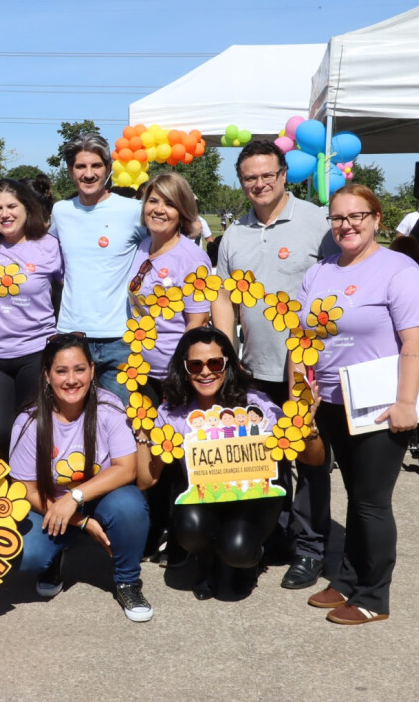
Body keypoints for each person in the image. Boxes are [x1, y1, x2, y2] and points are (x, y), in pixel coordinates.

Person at [299, 184, 419, 625]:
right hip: (330, 401)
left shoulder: (399, 269)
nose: (347, 225)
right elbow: (301, 338)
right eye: (338, 217)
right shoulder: (319, 272)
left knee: (371, 501)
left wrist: (406, 402)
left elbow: (416, 339)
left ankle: (374, 596)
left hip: (380, 402)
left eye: (357, 216)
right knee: (354, 495)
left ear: (377, 219)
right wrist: (300, 392)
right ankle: (348, 578)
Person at [210, 140, 338, 592]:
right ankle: (278, 535)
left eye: (268, 175)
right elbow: (223, 299)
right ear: (241, 181)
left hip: (307, 370)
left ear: (284, 174)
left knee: (310, 458)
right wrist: (226, 359)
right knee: (266, 459)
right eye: (250, 177)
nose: (260, 184)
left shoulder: (317, 222)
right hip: (255, 368)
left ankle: (310, 548)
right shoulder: (234, 234)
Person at [136, 327, 323, 600]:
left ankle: (246, 559)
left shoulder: (256, 404)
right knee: (189, 526)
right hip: (204, 501)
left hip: (253, 501)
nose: (205, 372)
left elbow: (313, 459)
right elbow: (147, 480)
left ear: (228, 365)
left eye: (215, 363)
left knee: (238, 550)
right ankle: (207, 561)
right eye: (195, 365)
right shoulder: (171, 413)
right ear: (184, 369)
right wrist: (143, 433)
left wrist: (309, 426)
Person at [9, 332, 152, 622]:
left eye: (79, 369)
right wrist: (81, 521)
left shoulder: (110, 407)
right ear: (47, 375)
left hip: (99, 499)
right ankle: (53, 558)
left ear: (92, 370)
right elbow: (25, 489)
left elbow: (127, 469)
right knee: (25, 556)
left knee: (130, 506)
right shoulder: (29, 421)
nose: (71, 379)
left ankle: (127, 581)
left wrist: (75, 497)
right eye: (61, 371)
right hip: (50, 504)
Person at [126, 173, 212, 561]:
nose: (159, 209)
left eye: (169, 203)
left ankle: (181, 538)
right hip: (142, 372)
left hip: (175, 375)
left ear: (183, 212)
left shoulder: (191, 257)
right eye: (153, 201)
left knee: (178, 457)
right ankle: (155, 527)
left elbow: (197, 322)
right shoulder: (142, 246)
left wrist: (181, 374)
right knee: (149, 453)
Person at [50, 133, 146, 404]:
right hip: (73, 335)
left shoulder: (133, 210)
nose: (89, 174)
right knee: (74, 420)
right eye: (81, 166)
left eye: (96, 166)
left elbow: (162, 249)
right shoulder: (61, 211)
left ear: (109, 168)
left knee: (121, 420)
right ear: (70, 171)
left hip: (122, 339)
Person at [0, 177, 62, 464]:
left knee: (33, 432)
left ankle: (33, 487)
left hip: (36, 352)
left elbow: (70, 290)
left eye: (12, 206)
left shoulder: (49, 246)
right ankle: (3, 488)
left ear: (27, 208)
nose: (5, 214)